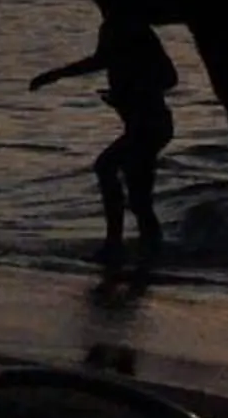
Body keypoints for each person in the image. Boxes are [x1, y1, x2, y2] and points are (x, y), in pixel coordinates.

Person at [30, 15, 177, 263]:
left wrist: (131, 91)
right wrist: (56, 75)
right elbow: (103, 60)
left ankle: (117, 244)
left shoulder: (132, 28)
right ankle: (145, 249)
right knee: (139, 195)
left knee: (107, 167)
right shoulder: (118, 27)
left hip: (150, 124)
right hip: (144, 125)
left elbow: (168, 78)